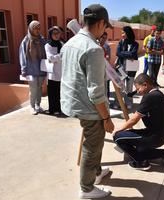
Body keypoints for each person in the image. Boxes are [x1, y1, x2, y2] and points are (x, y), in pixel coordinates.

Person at [60, 4, 114, 199]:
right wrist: (106, 117)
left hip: (73, 102)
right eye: (105, 26)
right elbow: (96, 92)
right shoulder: (94, 49)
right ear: (100, 23)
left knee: (94, 143)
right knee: (92, 146)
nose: (104, 30)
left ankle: (97, 171)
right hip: (89, 107)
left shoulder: (70, 43)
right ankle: (87, 188)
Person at [113, 73, 164, 170]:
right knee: (139, 149)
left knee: (118, 137)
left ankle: (140, 162)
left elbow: (134, 119)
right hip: (159, 135)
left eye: (138, 89)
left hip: (154, 136)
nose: (137, 92)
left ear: (145, 85)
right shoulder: (158, 94)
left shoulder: (150, 97)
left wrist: (118, 129)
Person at [19, 20, 47, 115]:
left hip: (41, 69)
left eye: (39, 28)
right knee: (33, 89)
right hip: (31, 70)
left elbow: (47, 52)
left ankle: (38, 105)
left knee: (39, 88)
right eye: (35, 28)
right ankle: (32, 106)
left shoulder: (42, 40)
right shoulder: (26, 40)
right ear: (31, 28)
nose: (38, 30)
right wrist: (23, 69)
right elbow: (22, 55)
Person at [115, 26, 139, 109]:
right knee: (120, 86)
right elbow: (117, 53)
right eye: (121, 33)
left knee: (129, 87)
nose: (122, 35)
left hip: (131, 69)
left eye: (123, 33)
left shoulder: (135, 44)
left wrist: (124, 53)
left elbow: (133, 54)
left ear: (128, 33)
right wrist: (128, 54)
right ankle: (118, 102)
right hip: (121, 68)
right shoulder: (121, 42)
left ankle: (128, 102)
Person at [44, 26, 63, 115]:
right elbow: (50, 58)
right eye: (54, 33)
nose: (56, 35)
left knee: (59, 92)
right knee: (51, 92)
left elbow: (56, 57)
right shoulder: (47, 45)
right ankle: (52, 109)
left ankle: (58, 109)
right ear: (50, 34)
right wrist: (60, 56)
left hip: (61, 72)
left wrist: (56, 57)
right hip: (51, 73)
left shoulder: (62, 44)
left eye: (58, 33)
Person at [99, 32, 112, 99]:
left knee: (106, 85)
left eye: (105, 38)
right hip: (98, 70)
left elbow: (108, 58)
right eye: (103, 38)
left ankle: (107, 99)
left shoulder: (106, 47)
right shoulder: (95, 45)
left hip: (105, 69)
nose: (104, 40)